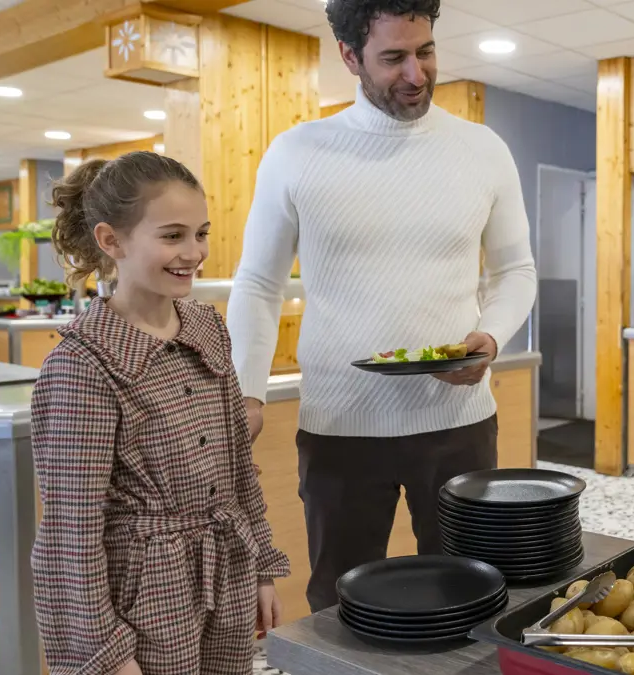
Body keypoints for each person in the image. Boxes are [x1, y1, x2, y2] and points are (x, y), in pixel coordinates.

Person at [225, 0, 536, 612]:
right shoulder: (296, 153)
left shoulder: (483, 149)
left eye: (426, 52)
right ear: (349, 56)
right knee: (339, 601)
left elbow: (515, 270)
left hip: (458, 421)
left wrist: (493, 336)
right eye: (393, 58)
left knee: (468, 593)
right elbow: (258, 283)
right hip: (340, 426)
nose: (416, 74)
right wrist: (248, 392)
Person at [30, 152, 289, 675]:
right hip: (143, 598)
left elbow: (238, 467)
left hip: (227, 576)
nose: (193, 253)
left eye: (201, 233)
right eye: (172, 236)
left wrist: (262, 564)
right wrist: (106, 655)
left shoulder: (207, 329)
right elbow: (70, 534)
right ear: (111, 241)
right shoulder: (83, 364)